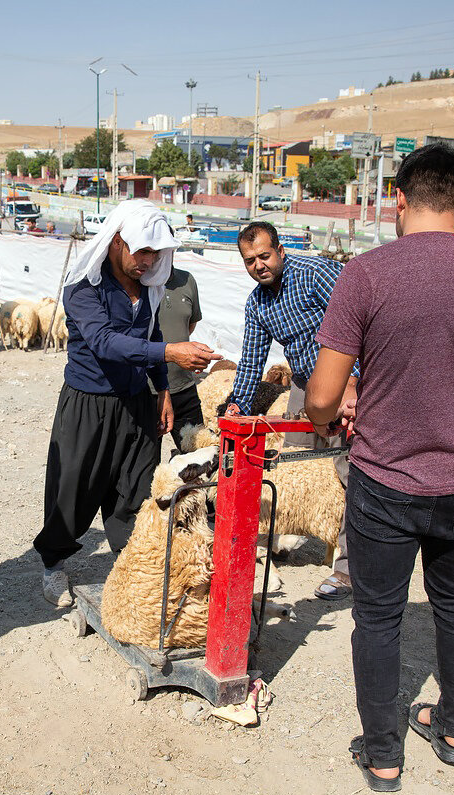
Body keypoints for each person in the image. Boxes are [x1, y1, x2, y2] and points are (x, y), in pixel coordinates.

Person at [305, 143, 454, 792]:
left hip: (387, 479)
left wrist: (338, 407)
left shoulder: (368, 274)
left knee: (378, 616)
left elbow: (319, 396)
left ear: (399, 199)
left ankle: (382, 756)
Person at [33, 199, 222, 607]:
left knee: (136, 489)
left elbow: (151, 341)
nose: (148, 260)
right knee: (74, 486)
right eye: (141, 251)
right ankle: (53, 563)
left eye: (155, 253)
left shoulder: (150, 288)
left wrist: (163, 392)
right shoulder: (83, 288)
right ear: (117, 241)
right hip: (90, 403)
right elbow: (105, 343)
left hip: (138, 402)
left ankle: (132, 564)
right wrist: (172, 353)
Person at [229, 221, 355, 601]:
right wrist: (237, 403)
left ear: (280, 250)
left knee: (351, 469)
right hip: (304, 381)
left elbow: (360, 318)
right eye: (250, 261)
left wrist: (356, 381)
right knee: (298, 466)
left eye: (264, 256)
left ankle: (350, 568)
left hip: (347, 374)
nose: (258, 266)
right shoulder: (257, 303)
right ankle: (287, 535)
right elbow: (252, 360)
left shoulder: (314, 274)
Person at [157, 264, 204, 450]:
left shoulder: (187, 280)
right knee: (145, 466)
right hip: (146, 392)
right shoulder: (138, 280)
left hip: (184, 389)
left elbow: (189, 325)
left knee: (198, 458)